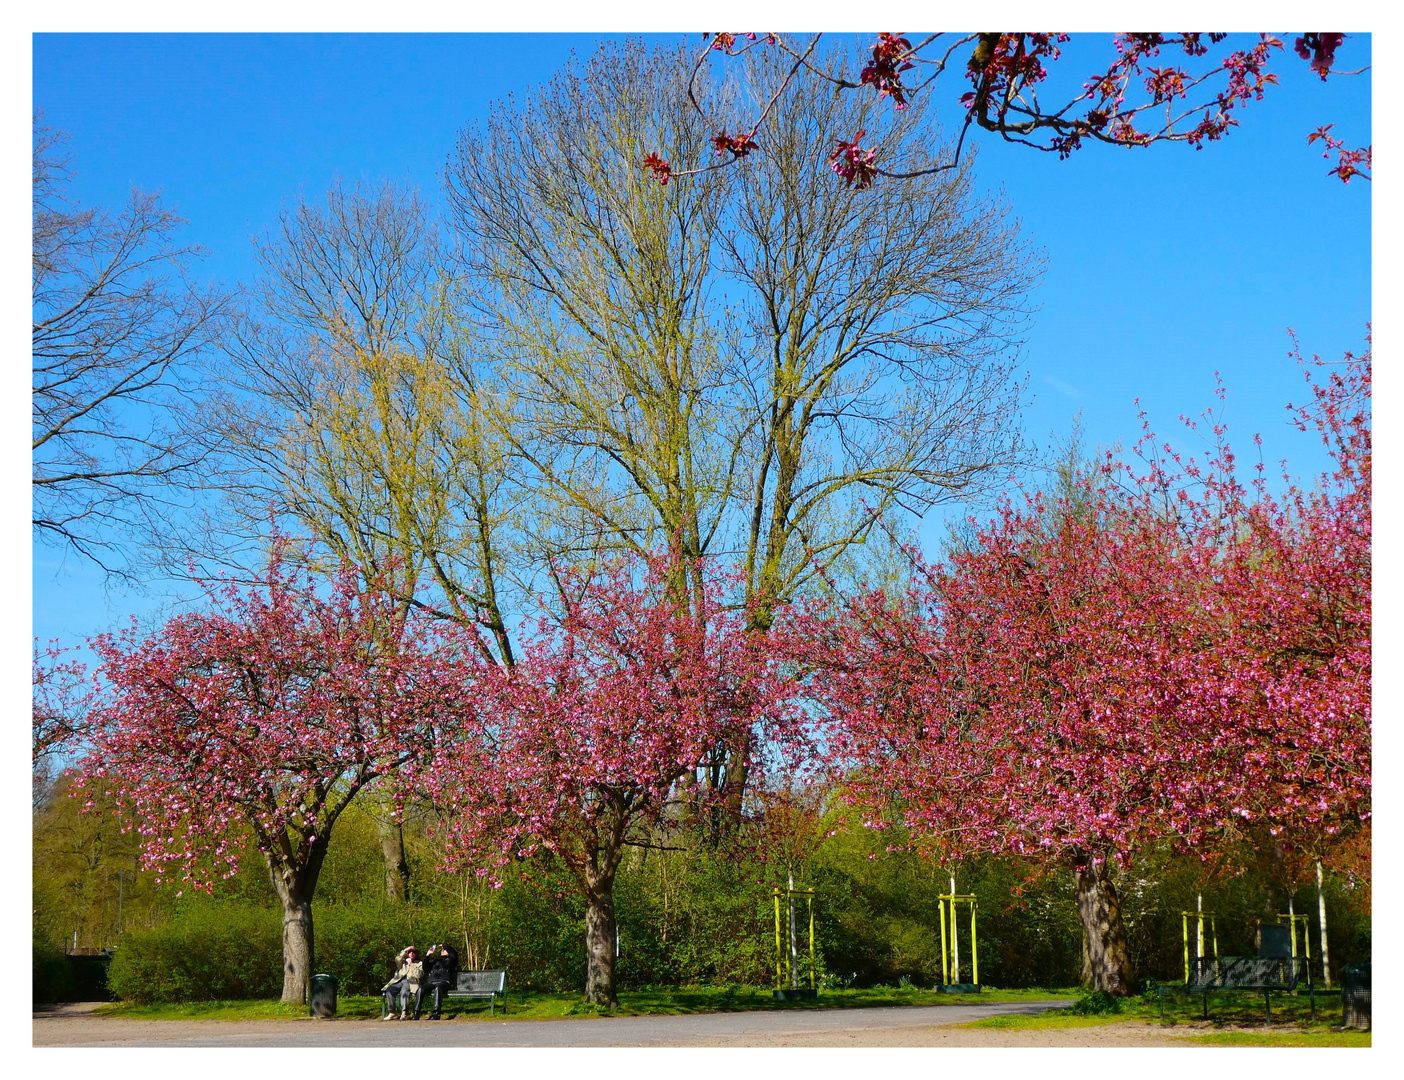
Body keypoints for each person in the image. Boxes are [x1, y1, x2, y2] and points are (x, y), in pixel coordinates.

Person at [380, 945, 424, 1020]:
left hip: (410, 982)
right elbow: (397, 959)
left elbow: (419, 975)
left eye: (413, 952)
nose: (412, 953)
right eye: (409, 952)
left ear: (416, 954)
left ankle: (404, 1012)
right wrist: (405, 950)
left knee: (404, 992)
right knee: (389, 990)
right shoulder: (403, 962)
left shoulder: (419, 963)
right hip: (399, 981)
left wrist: (411, 965)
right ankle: (392, 1012)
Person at [424, 942, 459, 1020]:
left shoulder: (451, 961)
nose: (442, 950)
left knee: (438, 987)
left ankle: (436, 1013)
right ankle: (416, 1013)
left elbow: (454, 954)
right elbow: (425, 968)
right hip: (432, 982)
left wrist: (444, 945)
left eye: (444, 950)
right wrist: (427, 955)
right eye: (442, 950)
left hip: (444, 982)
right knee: (420, 989)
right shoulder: (435, 961)